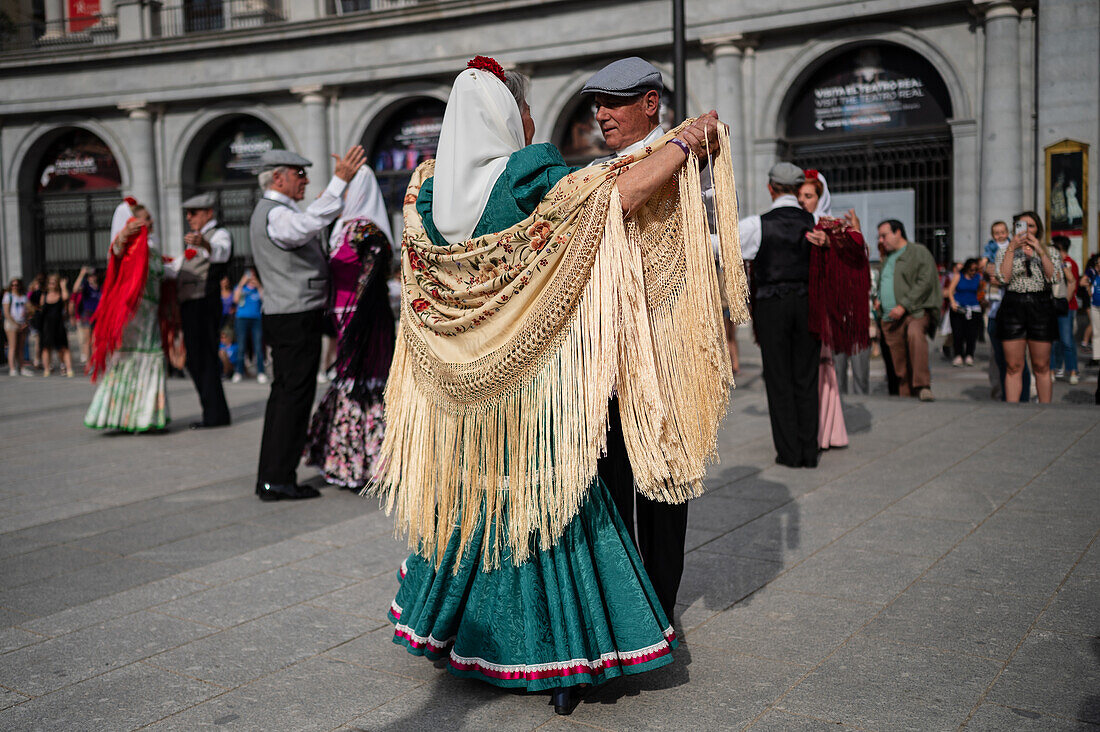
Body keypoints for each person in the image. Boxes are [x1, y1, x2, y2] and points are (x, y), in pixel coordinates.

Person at [377, 57, 740, 715]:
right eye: (522, 111)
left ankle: (466, 639)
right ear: (503, 118)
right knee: (552, 519)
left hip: (466, 399)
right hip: (533, 392)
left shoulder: (424, 193)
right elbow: (610, 195)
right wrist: (684, 143)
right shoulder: (527, 176)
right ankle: (565, 657)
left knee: (481, 514)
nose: (533, 121)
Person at [584, 56, 702, 618]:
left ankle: (657, 611)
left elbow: (622, 200)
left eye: (614, 101)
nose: (601, 114)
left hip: (663, 353)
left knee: (660, 490)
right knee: (609, 487)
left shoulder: (674, 156)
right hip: (609, 357)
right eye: (598, 104)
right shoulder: (657, 153)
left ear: (649, 102)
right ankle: (622, 613)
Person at [250, 145, 366, 501]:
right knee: (292, 398)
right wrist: (338, 184)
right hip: (293, 314)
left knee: (286, 396)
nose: (304, 180)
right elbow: (301, 228)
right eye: (299, 174)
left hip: (290, 313)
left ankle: (274, 475)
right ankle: (277, 479)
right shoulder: (276, 214)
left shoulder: (276, 211)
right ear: (278, 177)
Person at [304, 166, 395, 490]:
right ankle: (350, 464)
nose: (339, 196)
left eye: (345, 189)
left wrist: (355, 322)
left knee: (362, 383)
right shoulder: (342, 229)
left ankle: (372, 464)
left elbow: (369, 282)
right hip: (344, 319)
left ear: (358, 191)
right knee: (348, 383)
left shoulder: (369, 233)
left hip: (365, 321)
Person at [740, 162, 822, 466]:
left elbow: (722, 248)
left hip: (772, 304)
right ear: (799, 188)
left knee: (778, 378)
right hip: (807, 303)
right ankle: (809, 451)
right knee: (806, 376)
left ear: (770, 187)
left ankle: (789, 453)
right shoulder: (816, 222)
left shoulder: (755, 224)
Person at [85, 201, 174, 432]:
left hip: (150, 316)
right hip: (133, 315)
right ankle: (123, 416)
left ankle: (143, 417)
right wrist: (124, 235)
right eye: (145, 217)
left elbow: (164, 273)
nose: (150, 221)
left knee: (150, 357)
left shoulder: (152, 248)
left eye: (150, 217)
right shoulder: (131, 244)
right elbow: (115, 252)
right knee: (130, 359)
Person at [797, 171, 870, 450]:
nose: (803, 201)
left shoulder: (833, 226)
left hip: (821, 311)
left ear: (821, 196)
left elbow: (856, 258)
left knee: (822, 373)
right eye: (800, 196)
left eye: (809, 196)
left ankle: (825, 433)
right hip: (797, 307)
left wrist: (835, 242)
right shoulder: (793, 222)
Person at [172, 192, 232, 430]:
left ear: (208, 213)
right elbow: (177, 265)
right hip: (191, 304)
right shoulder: (194, 239)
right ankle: (214, 412)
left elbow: (220, 252)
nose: (189, 217)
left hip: (204, 303)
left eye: (193, 213)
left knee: (203, 359)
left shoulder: (219, 234)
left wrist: (204, 243)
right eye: (187, 213)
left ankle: (215, 415)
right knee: (197, 360)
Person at [874, 220, 941, 401]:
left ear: (898, 233)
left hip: (915, 312)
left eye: (884, 235)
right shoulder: (888, 257)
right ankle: (906, 396)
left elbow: (925, 281)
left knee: (914, 333)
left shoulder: (918, 252)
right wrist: (879, 300)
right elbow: (885, 283)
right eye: (879, 236)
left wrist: (904, 305)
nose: (881, 240)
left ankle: (922, 385)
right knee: (899, 362)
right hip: (890, 318)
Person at [995, 211, 1055, 403]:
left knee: (1041, 365)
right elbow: (1003, 278)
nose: (1027, 230)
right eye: (1022, 226)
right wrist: (1012, 248)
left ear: (1038, 229)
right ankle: (1013, 410)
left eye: (1032, 226)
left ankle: (1046, 408)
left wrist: (1039, 250)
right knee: (1013, 366)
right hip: (1013, 305)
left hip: (1041, 305)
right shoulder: (1005, 251)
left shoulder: (1049, 250)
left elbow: (1054, 277)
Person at [985, 223, 1031, 401]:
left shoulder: (1019, 251)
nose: (999, 236)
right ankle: (1006, 396)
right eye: (996, 233)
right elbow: (987, 269)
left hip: (1014, 312)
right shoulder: (991, 249)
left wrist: (1000, 277)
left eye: (1003, 232)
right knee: (1001, 361)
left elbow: (1008, 277)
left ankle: (1023, 397)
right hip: (995, 312)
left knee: (1018, 362)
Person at [1050, 236, 1080, 384]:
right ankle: (1053, 370)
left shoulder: (1069, 263)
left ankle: (1072, 370)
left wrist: (1063, 303)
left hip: (1066, 307)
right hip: (1051, 307)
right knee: (1052, 342)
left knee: (1067, 341)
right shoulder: (1049, 263)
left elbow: (1073, 283)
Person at [946, 258, 984, 367]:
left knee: (971, 334)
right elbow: (950, 290)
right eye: (971, 270)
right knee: (958, 333)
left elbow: (980, 291)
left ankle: (969, 355)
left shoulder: (978, 278)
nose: (973, 272)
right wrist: (952, 302)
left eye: (975, 270)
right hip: (959, 308)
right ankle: (958, 355)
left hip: (973, 308)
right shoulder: (959, 276)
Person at [231, 269, 265, 383]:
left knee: (258, 347)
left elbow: (264, 299)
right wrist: (242, 283)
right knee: (241, 346)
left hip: (256, 319)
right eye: (248, 276)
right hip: (242, 319)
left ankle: (261, 372)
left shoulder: (257, 288)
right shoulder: (241, 287)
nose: (251, 278)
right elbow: (235, 299)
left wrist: (259, 285)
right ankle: (239, 372)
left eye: (253, 276)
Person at [38, 273, 74, 377]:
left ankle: (69, 368)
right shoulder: (44, 296)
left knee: (63, 348)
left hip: (59, 325)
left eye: (54, 283)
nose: (51, 284)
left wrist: (63, 286)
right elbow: (41, 310)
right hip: (47, 326)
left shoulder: (60, 294)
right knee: (46, 348)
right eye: (50, 283)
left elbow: (66, 297)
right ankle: (46, 369)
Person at [71, 266, 102, 366]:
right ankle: (89, 363)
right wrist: (81, 274)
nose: (92, 278)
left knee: (96, 340)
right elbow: (75, 289)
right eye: (90, 276)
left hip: (98, 315)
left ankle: (96, 361)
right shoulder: (86, 286)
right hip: (88, 314)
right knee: (88, 340)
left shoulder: (99, 288)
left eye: (93, 276)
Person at [3, 277, 30, 376]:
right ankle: (12, 368)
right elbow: (6, 312)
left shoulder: (23, 296)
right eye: (13, 285)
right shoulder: (8, 296)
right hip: (11, 323)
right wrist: (15, 324)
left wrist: (25, 323)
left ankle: (21, 367)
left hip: (22, 323)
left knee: (21, 347)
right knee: (12, 346)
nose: (15, 287)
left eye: (17, 285)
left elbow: (27, 310)